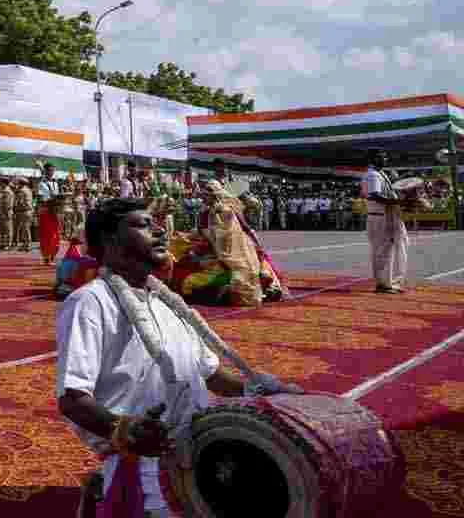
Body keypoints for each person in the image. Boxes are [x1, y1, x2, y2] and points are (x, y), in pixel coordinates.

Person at [57, 199, 303, 517]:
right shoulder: (90, 302)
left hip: (201, 458)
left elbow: (211, 374)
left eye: (156, 223)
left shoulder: (169, 302)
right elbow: (72, 398)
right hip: (145, 466)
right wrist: (123, 428)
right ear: (109, 241)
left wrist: (262, 392)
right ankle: (105, 488)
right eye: (143, 225)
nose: (160, 231)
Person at [362, 149, 408, 294]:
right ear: (373, 159)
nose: (386, 159)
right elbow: (374, 196)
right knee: (382, 251)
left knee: (388, 250)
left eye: (385, 157)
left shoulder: (379, 173)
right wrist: (399, 201)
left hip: (385, 215)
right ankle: (382, 284)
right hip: (379, 217)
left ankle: (388, 282)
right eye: (382, 157)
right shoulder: (372, 175)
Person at [36, 163, 63, 264]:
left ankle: (52, 255)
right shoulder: (41, 184)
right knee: (47, 235)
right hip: (46, 211)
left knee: (56, 234)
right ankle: (46, 256)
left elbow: (57, 197)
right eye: (50, 170)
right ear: (45, 171)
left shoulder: (56, 184)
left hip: (55, 212)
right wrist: (49, 200)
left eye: (53, 170)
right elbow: (40, 198)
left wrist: (59, 198)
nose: (51, 172)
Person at [13, 178, 34, 252]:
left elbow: (20, 201)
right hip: (29, 210)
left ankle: (28, 244)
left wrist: (16, 208)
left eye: (18, 183)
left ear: (21, 183)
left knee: (25, 229)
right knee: (26, 228)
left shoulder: (22, 191)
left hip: (24, 211)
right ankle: (26, 244)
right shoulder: (28, 190)